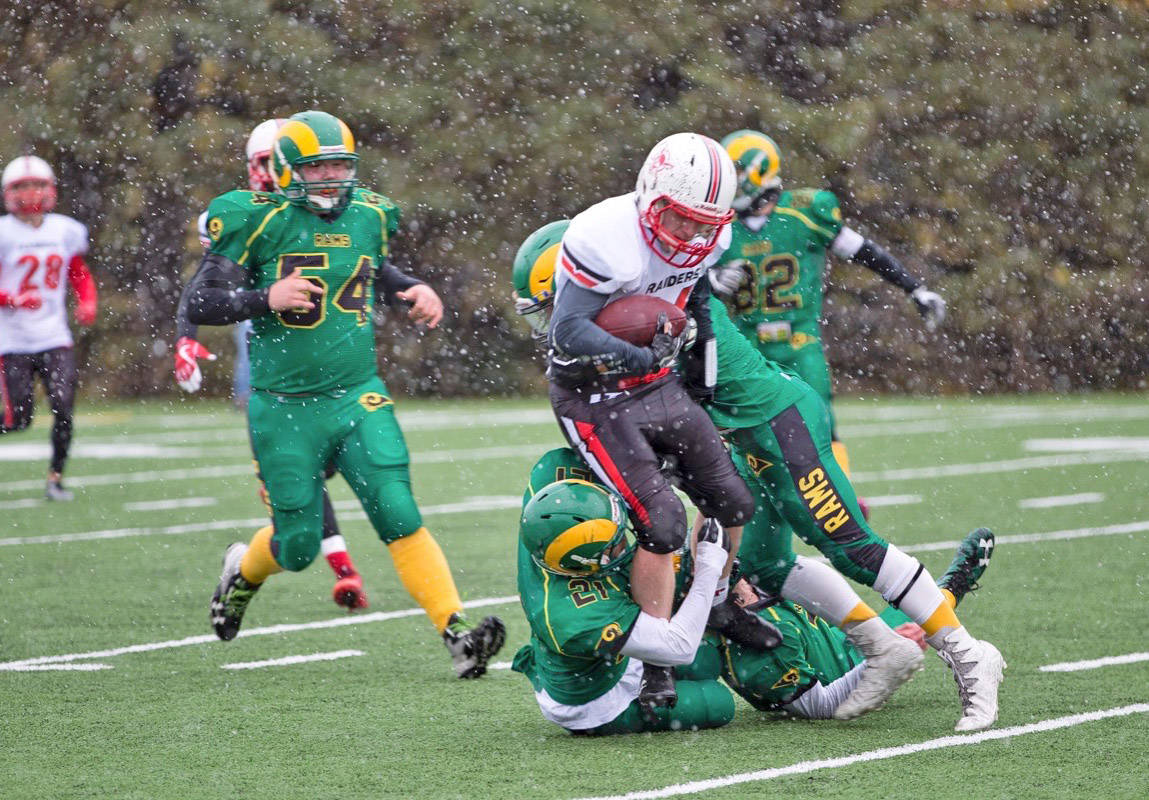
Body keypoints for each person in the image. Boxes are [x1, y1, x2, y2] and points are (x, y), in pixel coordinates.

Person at [515, 220, 1005, 731]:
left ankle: (970, 656)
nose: (556, 325)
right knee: (765, 563)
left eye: (553, 306)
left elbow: (680, 368)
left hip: (771, 424)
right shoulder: (639, 291)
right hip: (735, 434)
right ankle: (879, 644)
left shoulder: (635, 309)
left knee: (852, 546)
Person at [185, 110, 505, 678]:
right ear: (285, 171)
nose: (331, 178)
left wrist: (412, 287)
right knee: (301, 545)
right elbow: (201, 303)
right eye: (317, 167)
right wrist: (265, 297)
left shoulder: (370, 214)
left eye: (339, 165)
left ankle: (456, 631)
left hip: (357, 393)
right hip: (283, 406)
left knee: (398, 509)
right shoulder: (253, 220)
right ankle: (244, 570)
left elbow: (371, 268)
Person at [544, 132, 771, 711]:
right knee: (663, 521)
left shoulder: (705, 239)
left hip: (657, 382)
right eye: (681, 220)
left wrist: (702, 379)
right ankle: (654, 660)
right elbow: (566, 330)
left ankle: (716, 598)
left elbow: (693, 303)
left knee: (733, 499)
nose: (692, 236)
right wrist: (637, 355)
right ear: (651, 194)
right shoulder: (606, 236)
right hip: (592, 393)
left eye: (704, 225)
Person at [175, 118, 368, 612]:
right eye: (259, 162)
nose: (267, 172)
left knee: (325, 463)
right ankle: (340, 566)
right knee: (296, 469)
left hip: (325, 352)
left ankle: (315, 559)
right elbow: (202, 292)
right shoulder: (243, 214)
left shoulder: (332, 205)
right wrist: (186, 339)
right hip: (267, 348)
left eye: (272, 161)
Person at [710, 129, 946, 502]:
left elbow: (863, 251)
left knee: (820, 425)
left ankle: (845, 505)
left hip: (798, 340)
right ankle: (748, 514)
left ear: (756, 171)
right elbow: (684, 278)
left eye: (735, 170)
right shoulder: (720, 228)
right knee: (742, 434)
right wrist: (712, 280)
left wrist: (913, 287)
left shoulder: (804, 211)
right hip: (746, 346)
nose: (728, 181)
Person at [513, 469, 738, 735]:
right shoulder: (571, 618)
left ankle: (653, 665)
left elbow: (563, 459)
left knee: (708, 660)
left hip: (606, 658)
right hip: (598, 703)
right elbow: (680, 647)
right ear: (585, 563)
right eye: (615, 543)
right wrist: (709, 567)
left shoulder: (547, 524)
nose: (625, 541)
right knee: (718, 702)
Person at [719, 529, 996, 720]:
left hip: (847, 642)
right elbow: (822, 704)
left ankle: (947, 588)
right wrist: (881, 659)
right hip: (844, 676)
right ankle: (951, 588)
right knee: (917, 626)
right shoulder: (758, 644)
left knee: (916, 608)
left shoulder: (761, 571)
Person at [0, 154, 97, 501]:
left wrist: (87, 300)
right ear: (9, 192)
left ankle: (55, 478)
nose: (30, 193)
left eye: (37, 185)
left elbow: (78, 272)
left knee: (64, 408)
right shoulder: (3, 233)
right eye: (22, 186)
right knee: (18, 420)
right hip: (12, 341)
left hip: (55, 336)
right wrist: (10, 298)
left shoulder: (64, 229)